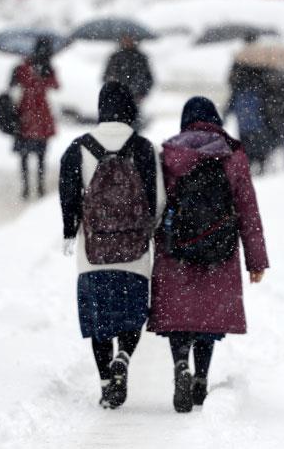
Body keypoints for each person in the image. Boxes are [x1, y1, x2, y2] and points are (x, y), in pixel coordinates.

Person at [149, 96, 269, 413]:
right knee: (206, 316)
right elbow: (248, 211)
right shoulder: (232, 155)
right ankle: (200, 377)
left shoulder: (170, 155)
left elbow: (156, 206)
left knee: (180, 317)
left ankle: (180, 366)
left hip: (177, 250)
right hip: (220, 249)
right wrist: (256, 261)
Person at [59, 81, 165, 409]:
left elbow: (68, 197)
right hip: (134, 252)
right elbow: (158, 200)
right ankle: (123, 357)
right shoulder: (144, 148)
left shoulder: (78, 148)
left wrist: (69, 230)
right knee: (132, 316)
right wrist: (149, 229)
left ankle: (106, 381)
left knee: (100, 320)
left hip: (93, 252)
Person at [11, 37, 59, 199]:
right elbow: (56, 85)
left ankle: (26, 187)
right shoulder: (45, 67)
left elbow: (13, 86)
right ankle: (39, 186)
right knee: (40, 155)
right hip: (40, 115)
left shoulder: (23, 67)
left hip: (25, 115)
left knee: (25, 156)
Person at [225, 62, 273, 174]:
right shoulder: (260, 85)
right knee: (258, 146)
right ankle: (259, 165)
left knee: (247, 147)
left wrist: (225, 115)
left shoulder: (239, 84)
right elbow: (265, 106)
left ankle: (250, 167)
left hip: (244, 123)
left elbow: (231, 103)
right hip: (257, 123)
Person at [103, 34, 154, 130]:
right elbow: (105, 77)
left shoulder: (140, 58)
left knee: (134, 126)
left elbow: (149, 79)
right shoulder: (115, 57)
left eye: (130, 38)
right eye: (124, 38)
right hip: (117, 99)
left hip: (135, 97)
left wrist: (142, 94)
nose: (127, 41)